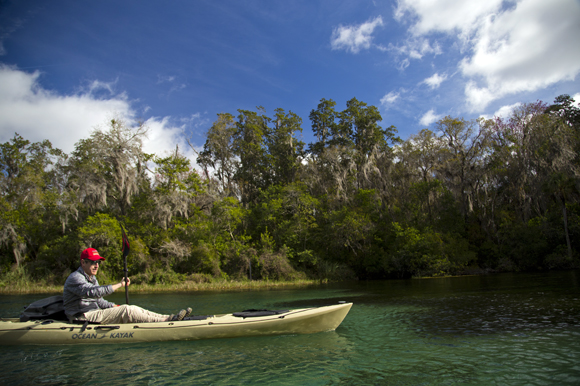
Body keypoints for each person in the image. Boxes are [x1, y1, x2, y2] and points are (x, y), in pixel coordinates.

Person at [63, 247, 191, 324]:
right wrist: (120, 284)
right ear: (83, 262)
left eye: (98, 262)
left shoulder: (91, 277)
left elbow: (99, 301)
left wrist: (114, 306)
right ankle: (165, 322)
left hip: (93, 312)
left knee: (130, 307)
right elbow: (93, 293)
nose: (96, 265)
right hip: (81, 316)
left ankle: (170, 317)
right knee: (127, 311)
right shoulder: (76, 278)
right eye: (92, 262)